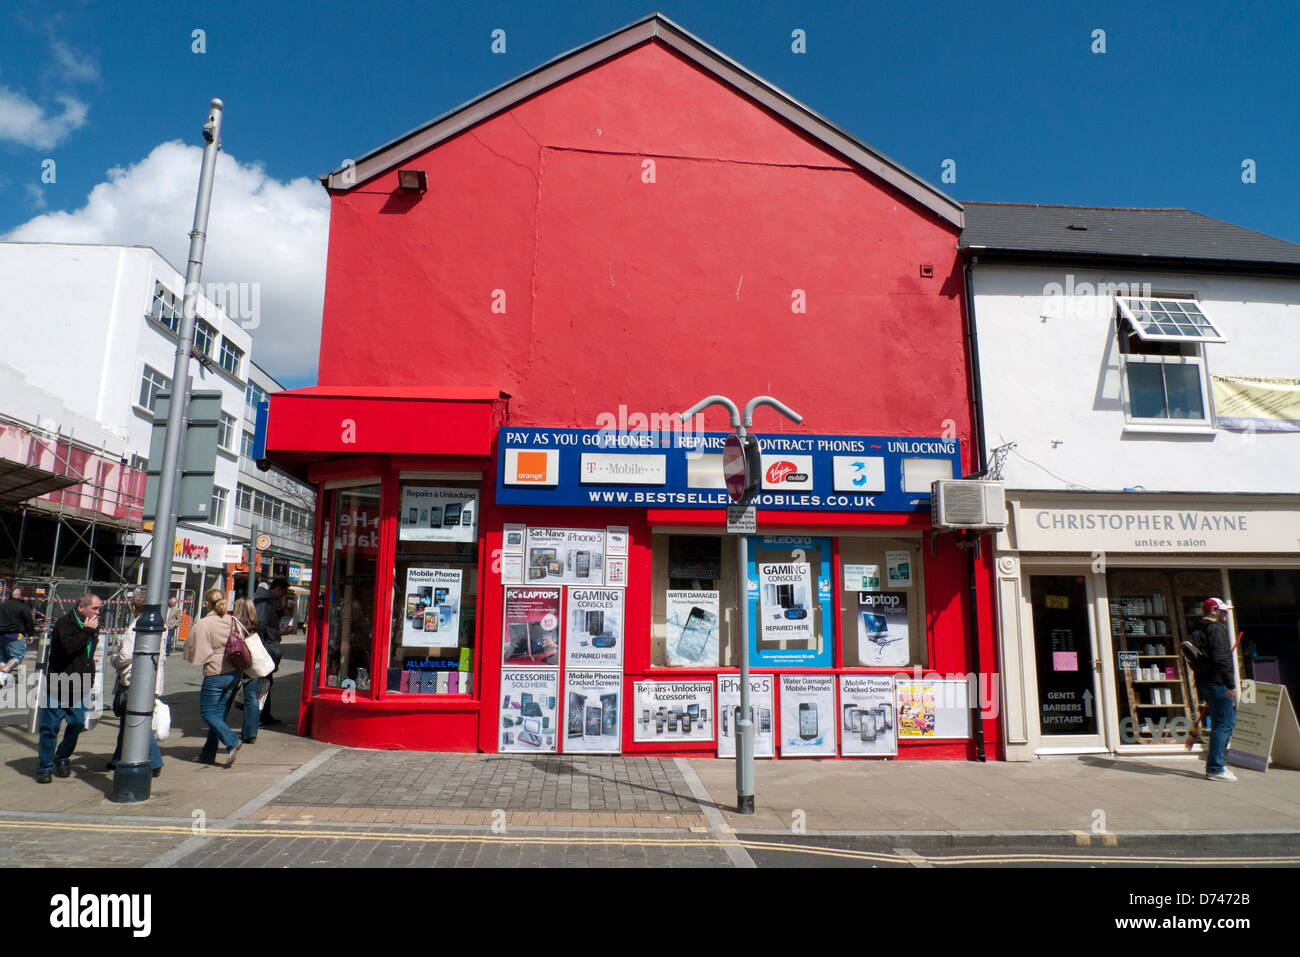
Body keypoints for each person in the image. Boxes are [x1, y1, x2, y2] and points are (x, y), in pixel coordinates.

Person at [36, 593, 103, 783]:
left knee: (77, 722)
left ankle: (62, 755)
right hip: (60, 681)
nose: (98, 612)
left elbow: (87, 654)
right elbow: (68, 649)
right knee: (50, 726)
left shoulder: (94, 623)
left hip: (81, 683)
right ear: (81, 607)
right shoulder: (64, 624)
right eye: (95, 608)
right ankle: (44, 766)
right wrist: (87, 631)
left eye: (99, 608)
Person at [183, 589, 243, 767]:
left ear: (207, 604)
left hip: (215, 673)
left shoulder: (204, 623)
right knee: (218, 716)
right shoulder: (232, 620)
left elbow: (195, 649)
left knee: (208, 712)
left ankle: (232, 741)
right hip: (234, 672)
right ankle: (207, 754)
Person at [107, 589, 163, 777]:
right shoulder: (159, 623)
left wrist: (113, 659)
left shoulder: (136, 626)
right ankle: (118, 758)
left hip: (134, 680)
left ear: (134, 607)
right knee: (127, 721)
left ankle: (155, 761)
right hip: (150, 679)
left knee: (138, 721)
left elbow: (125, 656)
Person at [1190, 597, 1239, 782]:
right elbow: (1221, 658)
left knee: (1226, 722)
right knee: (1224, 724)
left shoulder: (1198, 628)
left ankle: (1217, 766)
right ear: (1213, 610)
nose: (1225, 614)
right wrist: (1230, 684)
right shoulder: (1215, 628)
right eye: (1223, 610)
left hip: (1206, 681)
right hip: (1218, 682)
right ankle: (1216, 767)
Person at [253, 578, 289, 726]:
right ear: (278, 589)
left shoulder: (267, 601)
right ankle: (258, 716)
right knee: (264, 681)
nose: (283, 595)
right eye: (284, 592)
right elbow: (261, 624)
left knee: (266, 681)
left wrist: (281, 611)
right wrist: (279, 633)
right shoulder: (263, 601)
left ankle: (264, 715)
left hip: (264, 645)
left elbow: (269, 619)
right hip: (264, 647)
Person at [230, 597, 263, 743]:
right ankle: (251, 732)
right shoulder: (256, 624)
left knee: (228, 695)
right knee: (251, 697)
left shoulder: (233, 623)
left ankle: (220, 729)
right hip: (252, 663)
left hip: (236, 662)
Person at [0, 584, 37, 686]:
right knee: (17, 657)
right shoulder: (22, 607)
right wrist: (30, 634)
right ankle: (3, 673)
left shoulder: (2, 605)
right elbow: (29, 622)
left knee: (2, 658)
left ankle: (2, 676)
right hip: (15, 636)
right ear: (20, 595)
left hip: (1, 636)